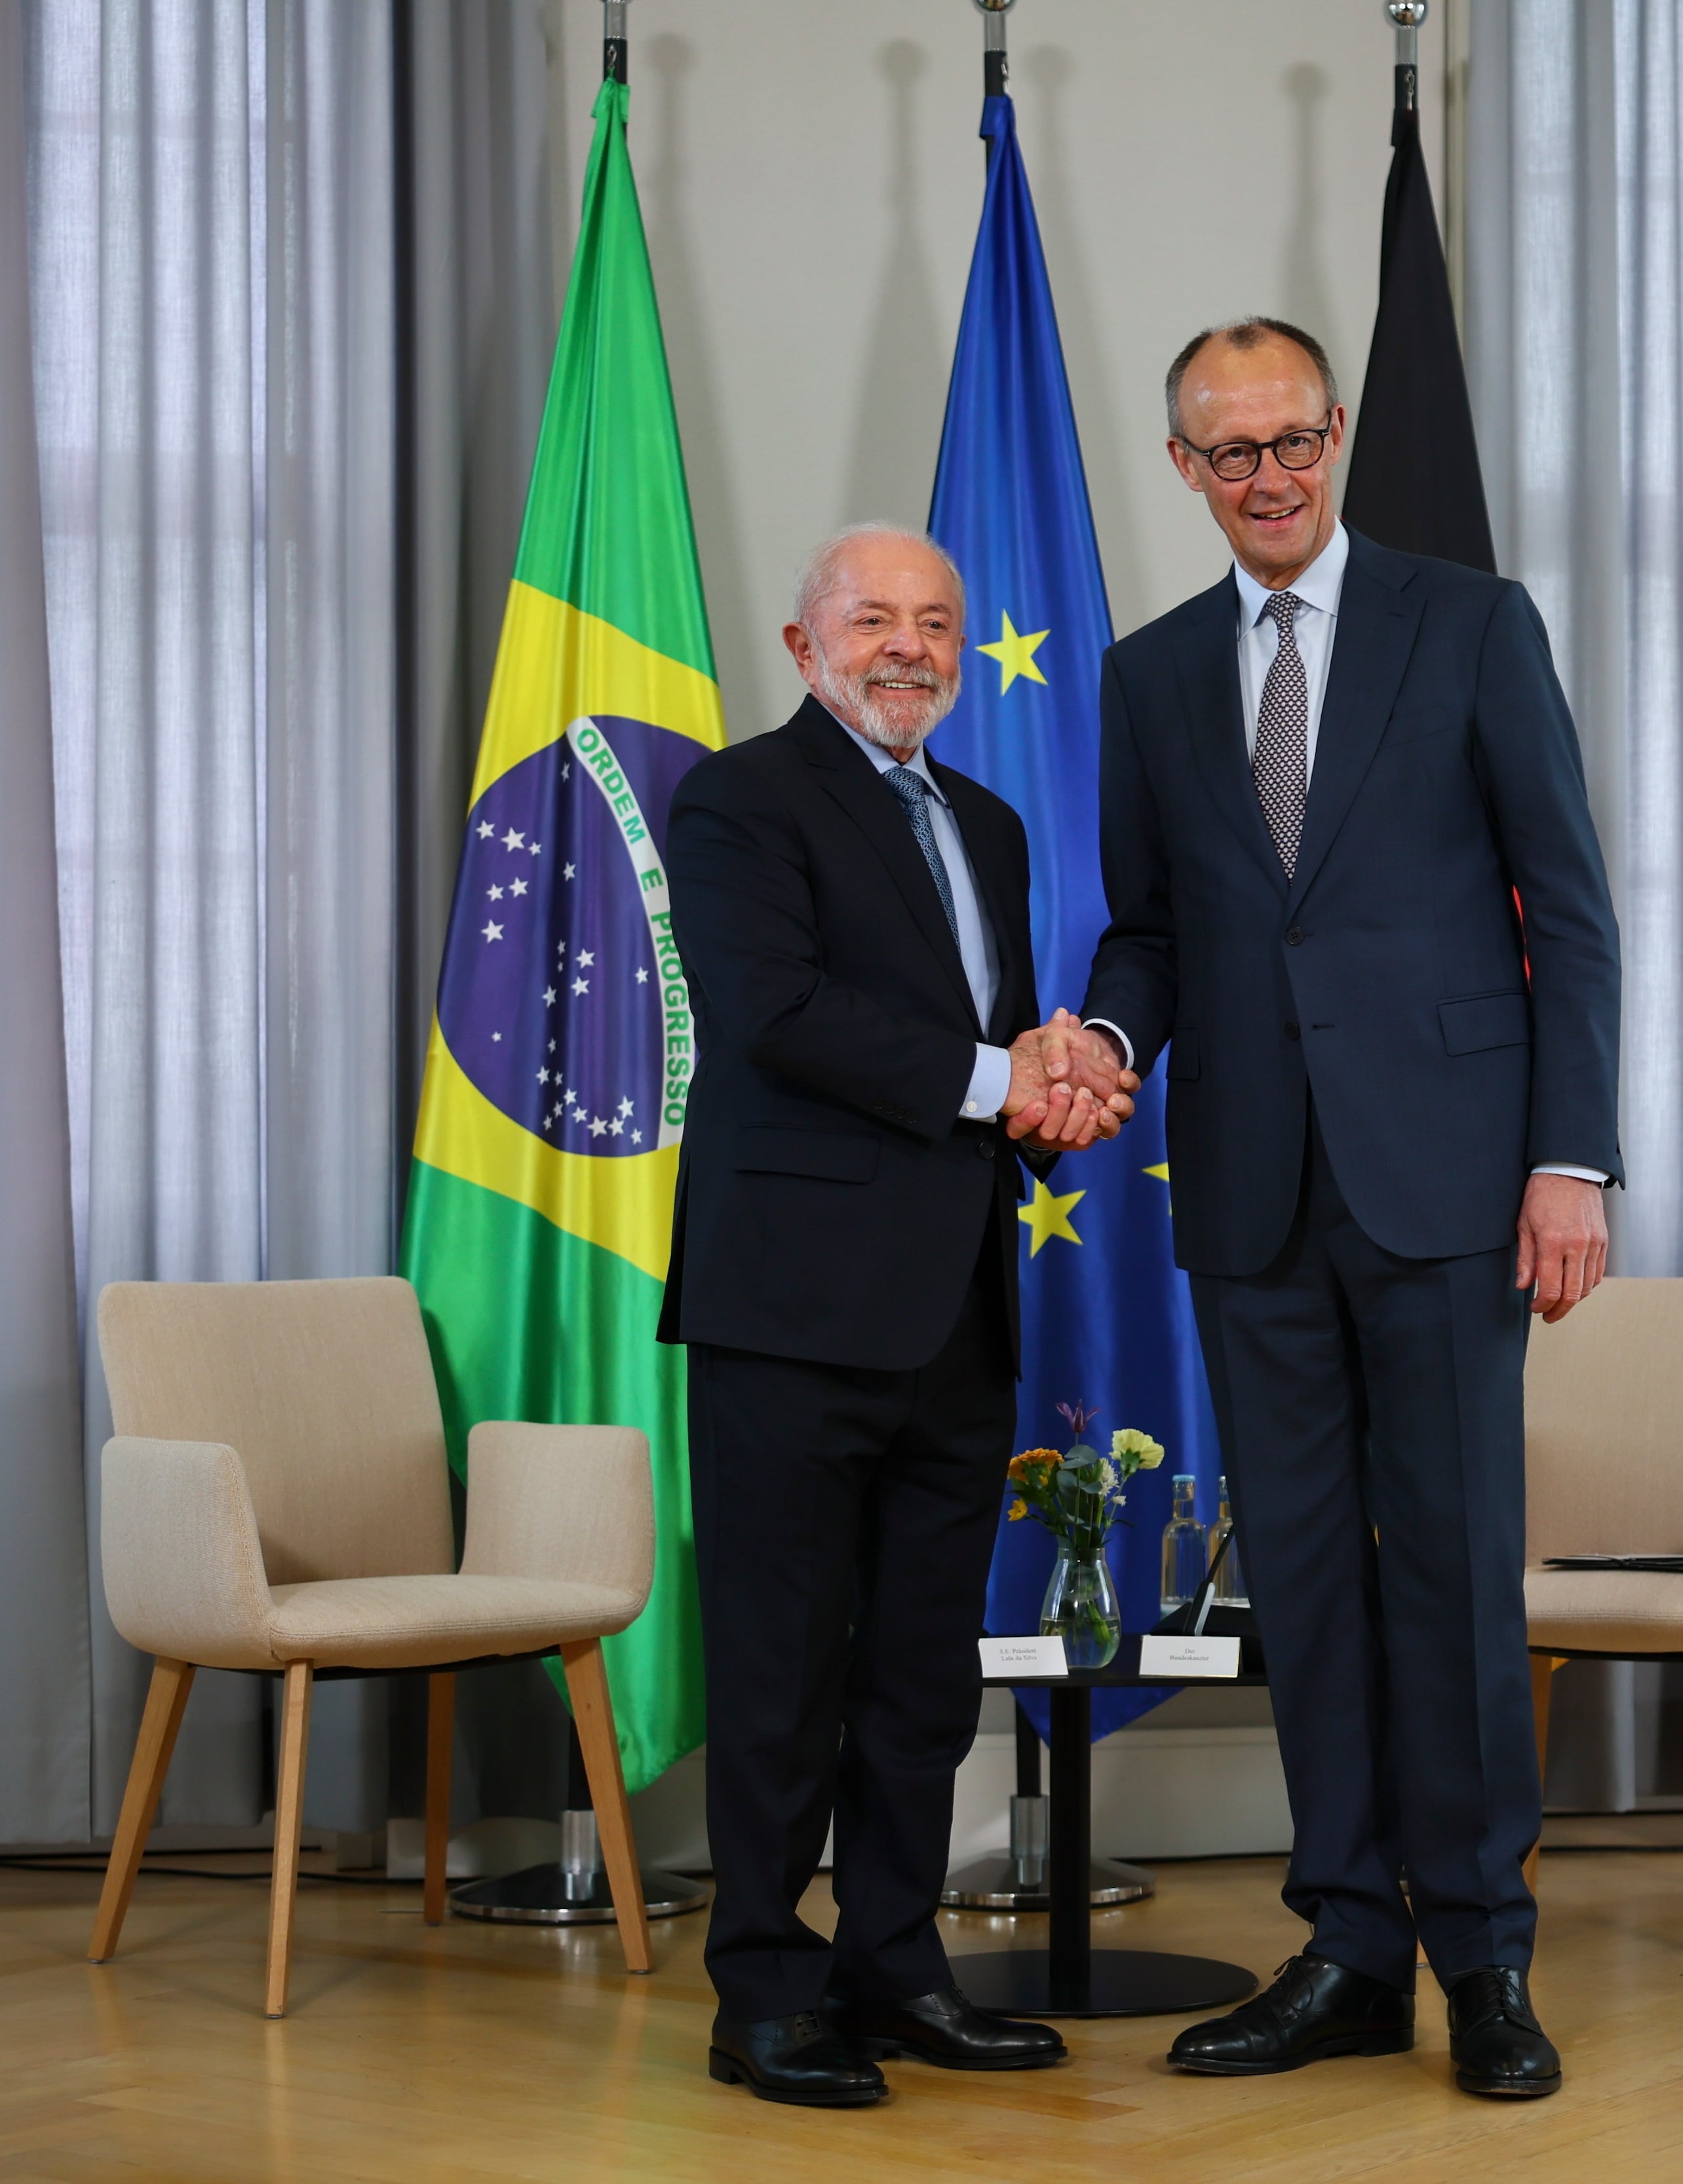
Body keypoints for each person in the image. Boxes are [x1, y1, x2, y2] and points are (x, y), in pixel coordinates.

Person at [1072, 319, 1620, 2100]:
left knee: (1454, 1577)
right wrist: (1102, 1033)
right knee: (1302, 1583)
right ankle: (1348, 1947)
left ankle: (1484, 1952)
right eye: (1230, 453)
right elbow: (1149, 926)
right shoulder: (1150, 674)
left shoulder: (1472, 625)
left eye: (1293, 438)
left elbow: (1570, 905)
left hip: (1453, 1183)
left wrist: (1570, 1155)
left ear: (1338, 433)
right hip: (1248, 1191)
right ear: (1185, 471)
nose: (1269, 476)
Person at [659, 523, 1140, 2107]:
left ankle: (894, 1963)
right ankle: (764, 1989)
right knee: (785, 1667)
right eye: (873, 618)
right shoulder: (738, 797)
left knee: (922, 1675)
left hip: (954, 1308)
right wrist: (1009, 1078)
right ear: (803, 647)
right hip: (789, 1309)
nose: (909, 646)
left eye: (935, 622)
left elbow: (976, 1037)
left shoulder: (990, 825)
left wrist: (1055, 1059)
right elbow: (779, 1013)